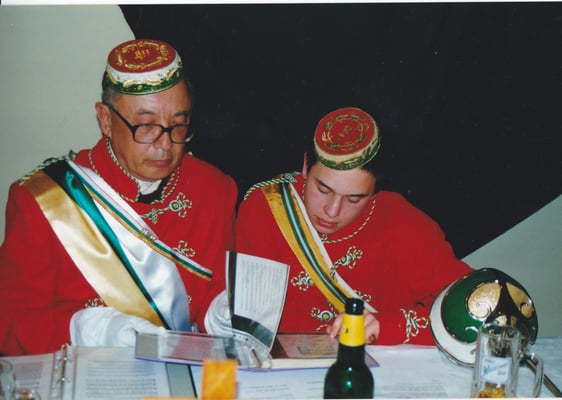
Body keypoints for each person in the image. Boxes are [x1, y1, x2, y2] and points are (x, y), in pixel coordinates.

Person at [0, 39, 237, 356]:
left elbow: (216, 291)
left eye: (179, 125)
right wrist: (84, 330)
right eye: (146, 126)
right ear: (106, 120)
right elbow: (9, 319)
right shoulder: (43, 199)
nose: (166, 145)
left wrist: (220, 313)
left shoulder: (215, 189)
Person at [232, 107, 473, 345]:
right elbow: (251, 319)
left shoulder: (404, 225)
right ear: (305, 166)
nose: (332, 211)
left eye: (353, 199)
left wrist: (386, 326)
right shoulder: (267, 209)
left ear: (375, 191)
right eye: (323, 190)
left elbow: (473, 307)